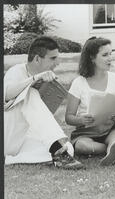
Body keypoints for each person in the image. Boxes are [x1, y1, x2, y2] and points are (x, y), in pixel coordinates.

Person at [4, 36, 84, 169]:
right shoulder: (16, 71)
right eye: (53, 58)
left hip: (23, 138)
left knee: (68, 148)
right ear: (36, 59)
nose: (57, 62)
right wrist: (34, 80)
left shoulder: (46, 79)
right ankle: (56, 148)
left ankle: (11, 159)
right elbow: (6, 94)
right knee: (30, 92)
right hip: (8, 133)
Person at [65, 37, 115, 166]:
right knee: (82, 146)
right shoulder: (79, 83)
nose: (110, 58)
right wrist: (81, 120)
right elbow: (69, 117)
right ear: (92, 58)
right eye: (105, 55)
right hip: (86, 132)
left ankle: (114, 146)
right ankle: (110, 149)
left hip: (110, 129)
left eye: (110, 54)